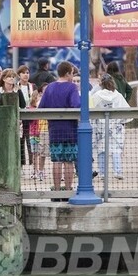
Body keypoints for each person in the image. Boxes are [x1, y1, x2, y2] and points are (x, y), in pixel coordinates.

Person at [38, 61, 79, 200]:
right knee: (69, 161)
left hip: (54, 129)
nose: (73, 75)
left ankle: (56, 191)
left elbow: (41, 107)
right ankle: (67, 191)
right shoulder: (72, 87)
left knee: (56, 161)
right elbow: (76, 105)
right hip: (70, 129)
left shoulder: (49, 87)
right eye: (72, 72)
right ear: (68, 73)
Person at [90, 73, 129, 180]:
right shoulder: (118, 96)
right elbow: (126, 111)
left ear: (101, 83)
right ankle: (118, 171)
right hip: (116, 127)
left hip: (100, 127)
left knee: (101, 149)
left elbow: (91, 108)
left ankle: (102, 173)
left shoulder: (97, 95)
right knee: (116, 149)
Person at [29, 84, 49, 181]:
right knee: (38, 153)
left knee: (44, 153)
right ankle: (38, 171)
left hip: (49, 129)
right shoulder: (40, 101)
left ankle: (41, 170)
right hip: (41, 130)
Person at [17, 65, 35, 169]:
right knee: (20, 141)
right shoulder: (16, 86)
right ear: (19, 75)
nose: (26, 75)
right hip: (20, 117)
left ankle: (33, 165)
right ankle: (21, 165)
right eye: (23, 73)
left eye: (27, 72)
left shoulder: (32, 86)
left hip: (31, 117)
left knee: (31, 141)